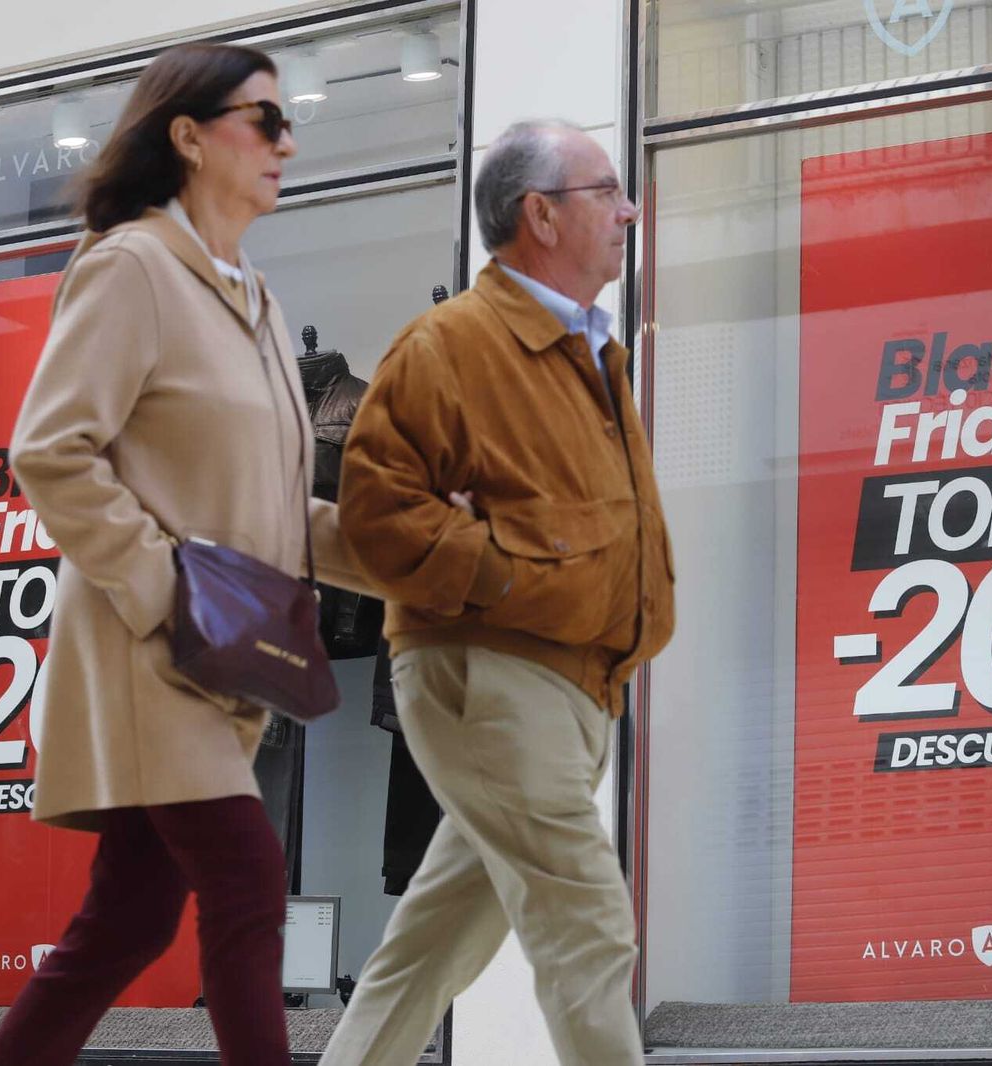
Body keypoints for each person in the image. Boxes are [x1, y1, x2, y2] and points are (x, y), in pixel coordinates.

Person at [0, 43, 369, 1066]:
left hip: (224, 663)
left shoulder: (257, 303)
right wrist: (166, 592)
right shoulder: (130, 268)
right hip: (150, 653)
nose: (286, 143)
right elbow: (52, 451)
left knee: (127, 923)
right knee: (248, 884)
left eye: (288, 122)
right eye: (265, 120)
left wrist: (428, 561)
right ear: (189, 136)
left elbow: (283, 510)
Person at [324, 120, 676, 1066]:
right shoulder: (451, 346)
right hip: (494, 674)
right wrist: (501, 572)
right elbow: (375, 513)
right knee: (589, 928)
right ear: (541, 216)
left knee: (431, 947)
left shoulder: (590, 355)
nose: (629, 210)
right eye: (608, 192)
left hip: (573, 684)